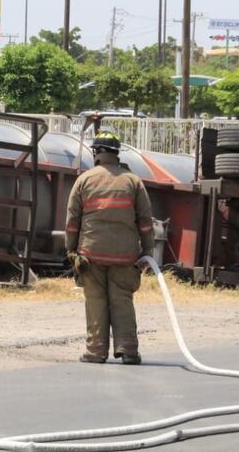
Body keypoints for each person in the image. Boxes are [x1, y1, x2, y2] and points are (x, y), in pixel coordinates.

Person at [65, 132, 154, 365]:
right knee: (122, 300)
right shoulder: (133, 181)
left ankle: (95, 352)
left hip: (91, 254)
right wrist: (147, 253)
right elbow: (145, 223)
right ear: (116, 154)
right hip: (125, 256)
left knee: (95, 301)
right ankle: (128, 351)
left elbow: (72, 222)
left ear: (96, 153)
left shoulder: (84, 180)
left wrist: (71, 250)